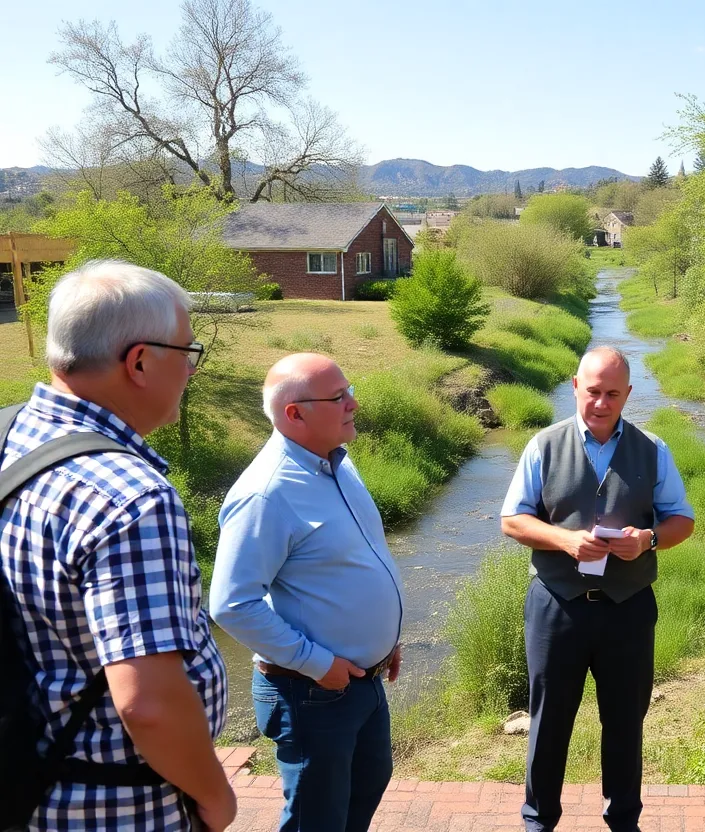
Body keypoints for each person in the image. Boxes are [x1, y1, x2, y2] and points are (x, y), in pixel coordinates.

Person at [0, 260, 232, 830]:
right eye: (188, 354)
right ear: (140, 361)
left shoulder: (10, 438)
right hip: (119, 807)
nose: (191, 372)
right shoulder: (129, 497)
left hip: (23, 788)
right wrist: (215, 795)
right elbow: (147, 704)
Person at [501, 346, 696, 832]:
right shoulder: (543, 445)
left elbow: (683, 520)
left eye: (613, 393)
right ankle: (538, 822)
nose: (601, 403)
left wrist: (647, 540)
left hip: (627, 610)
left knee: (626, 723)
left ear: (628, 394)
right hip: (556, 607)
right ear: (574, 387)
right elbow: (512, 521)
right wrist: (565, 540)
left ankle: (623, 821)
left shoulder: (654, 450)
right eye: (592, 392)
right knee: (548, 725)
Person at [209, 353, 403, 832]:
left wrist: (385, 637)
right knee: (317, 820)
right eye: (338, 397)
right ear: (294, 414)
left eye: (348, 390)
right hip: (312, 691)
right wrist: (320, 664)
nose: (353, 403)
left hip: (364, 679)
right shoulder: (267, 493)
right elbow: (232, 604)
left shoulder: (336, 462)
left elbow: (357, 560)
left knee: (364, 792)